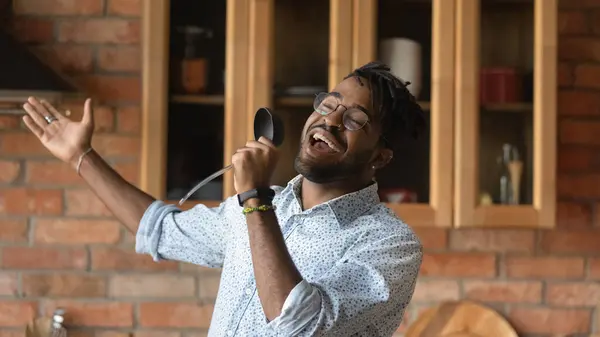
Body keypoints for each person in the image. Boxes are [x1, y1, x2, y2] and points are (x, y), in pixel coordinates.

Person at [21, 61, 425, 337]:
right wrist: (81, 157)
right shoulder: (265, 208)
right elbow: (160, 229)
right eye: (329, 104)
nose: (330, 119)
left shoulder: (389, 244)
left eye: (355, 119)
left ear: (381, 156)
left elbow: (298, 322)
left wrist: (253, 198)